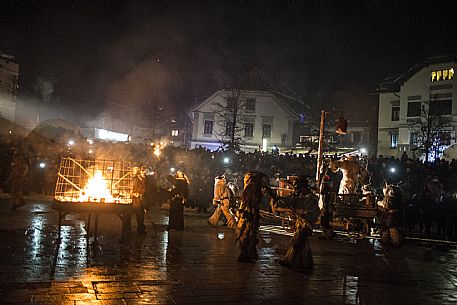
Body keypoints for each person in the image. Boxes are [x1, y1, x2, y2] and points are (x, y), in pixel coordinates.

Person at [278, 175, 320, 270]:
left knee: (297, 242)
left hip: (305, 223)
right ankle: (305, 263)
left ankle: (292, 261)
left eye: (297, 186)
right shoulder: (300, 195)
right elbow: (290, 201)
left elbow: (313, 212)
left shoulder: (311, 197)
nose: (295, 189)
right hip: (300, 222)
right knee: (302, 243)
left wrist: (301, 213)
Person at [236, 171, 274, 262]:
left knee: (249, 234)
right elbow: (249, 202)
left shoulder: (252, 187)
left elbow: (249, 202)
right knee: (249, 234)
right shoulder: (254, 188)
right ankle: (247, 254)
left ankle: (248, 254)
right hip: (251, 214)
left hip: (251, 214)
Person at [131, 166, 147, 235]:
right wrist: (134, 193)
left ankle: (141, 230)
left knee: (141, 216)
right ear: (139, 171)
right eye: (143, 170)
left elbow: (145, 189)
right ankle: (127, 229)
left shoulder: (144, 179)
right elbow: (131, 188)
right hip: (135, 200)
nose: (144, 172)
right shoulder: (135, 179)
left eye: (145, 170)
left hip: (141, 200)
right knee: (130, 215)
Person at [319, 175, 334, 240]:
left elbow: (326, 198)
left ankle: (328, 235)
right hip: (326, 207)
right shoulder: (328, 187)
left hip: (326, 207)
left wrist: (324, 206)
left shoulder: (325, 187)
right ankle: (325, 235)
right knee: (324, 222)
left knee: (324, 222)